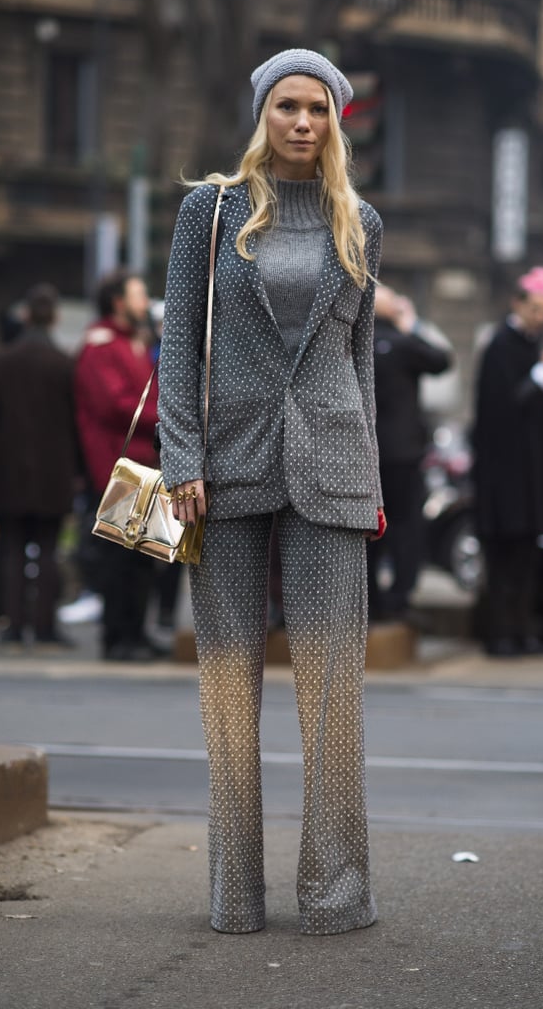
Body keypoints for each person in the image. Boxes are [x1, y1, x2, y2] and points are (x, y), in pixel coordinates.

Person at [158, 49, 385, 936]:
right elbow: (178, 346)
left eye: (317, 109)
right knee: (227, 689)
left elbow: (357, 359)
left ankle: (335, 896)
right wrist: (181, 460)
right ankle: (235, 895)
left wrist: (369, 479)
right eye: (286, 105)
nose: (301, 121)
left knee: (333, 695)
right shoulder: (208, 213)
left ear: (335, 122)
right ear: (262, 113)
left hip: (331, 469)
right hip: (225, 468)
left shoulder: (357, 220)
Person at [472, 266, 543, 658]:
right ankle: (501, 634)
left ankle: (524, 631)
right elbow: (502, 409)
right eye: (536, 309)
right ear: (518, 303)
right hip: (503, 475)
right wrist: (542, 379)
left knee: (528, 557)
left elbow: (540, 407)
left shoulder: (535, 347)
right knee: (504, 558)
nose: (541, 317)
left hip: (532, 475)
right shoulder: (499, 347)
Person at [0, 284, 78, 650]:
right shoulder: (63, 364)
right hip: (53, 472)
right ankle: (44, 625)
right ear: (53, 316)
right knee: (48, 549)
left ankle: (13, 625)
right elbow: (74, 422)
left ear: (25, 316)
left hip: (7, 471)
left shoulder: (0, 361)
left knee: (11, 549)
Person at [74, 269, 164, 662]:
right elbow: (116, 406)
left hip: (142, 466)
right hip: (118, 469)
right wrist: (166, 415)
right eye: (138, 295)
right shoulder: (102, 346)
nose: (145, 303)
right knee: (119, 559)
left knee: (144, 555)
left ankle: (136, 633)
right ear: (118, 302)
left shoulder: (133, 342)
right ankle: (118, 637)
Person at [368, 284, 453, 620]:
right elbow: (442, 360)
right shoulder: (404, 345)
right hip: (403, 453)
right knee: (405, 526)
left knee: (368, 528)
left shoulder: (361, 344)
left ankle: (372, 599)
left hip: (368, 453)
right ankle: (399, 598)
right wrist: (411, 324)